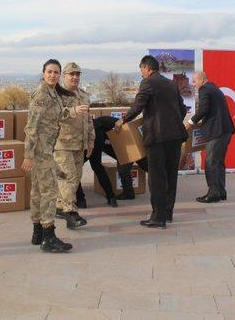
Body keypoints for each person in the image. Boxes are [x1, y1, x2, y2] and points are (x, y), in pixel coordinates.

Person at [21, 59, 89, 252]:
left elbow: (59, 114)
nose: (52, 75)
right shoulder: (42, 94)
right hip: (41, 151)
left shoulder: (53, 94)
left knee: (37, 192)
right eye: (49, 72)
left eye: (56, 72)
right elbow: (31, 126)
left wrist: (74, 110)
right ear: (43, 73)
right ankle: (49, 236)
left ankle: (37, 233)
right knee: (50, 193)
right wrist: (28, 155)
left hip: (45, 149)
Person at [115, 55, 187, 228]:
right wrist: (173, 123)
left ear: (147, 68)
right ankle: (168, 213)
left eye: (141, 70)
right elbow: (182, 109)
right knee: (171, 176)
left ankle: (158, 217)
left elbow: (138, 106)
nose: (141, 73)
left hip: (157, 138)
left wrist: (122, 120)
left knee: (156, 178)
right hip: (175, 137)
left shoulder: (148, 82)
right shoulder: (170, 84)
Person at [54, 62, 95, 229]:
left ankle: (58, 206)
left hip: (79, 145)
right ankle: (71, 213)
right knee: (69, 178)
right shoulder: (57, 95)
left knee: (75, 179)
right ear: (64, 76)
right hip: (63, 144)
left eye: (77, 74)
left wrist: (91, 141)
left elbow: (88, 120)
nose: (75, 77)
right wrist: (73, 111)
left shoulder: (84, 96)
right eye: (71, 74)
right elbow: (54, 115)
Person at [186, 71, 235, 203]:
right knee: (218, 162)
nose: (193, 84)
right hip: (225, 130)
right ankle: (220, 192)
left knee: (211, 162)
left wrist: (190, 123)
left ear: (202, 80)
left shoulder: (204, 89)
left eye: (195, 81)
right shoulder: (214, 88)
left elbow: (203, 110)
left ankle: (213, 193)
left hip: (217, 132)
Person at [88, 115, 149, 206]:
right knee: (143, 164)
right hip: (124, 145)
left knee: (126, 167)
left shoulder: (103, 123)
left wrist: (122, 156)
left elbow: (123, 128)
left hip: (128, 142)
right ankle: (163, 182)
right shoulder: (98, 130)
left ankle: (128, 193)